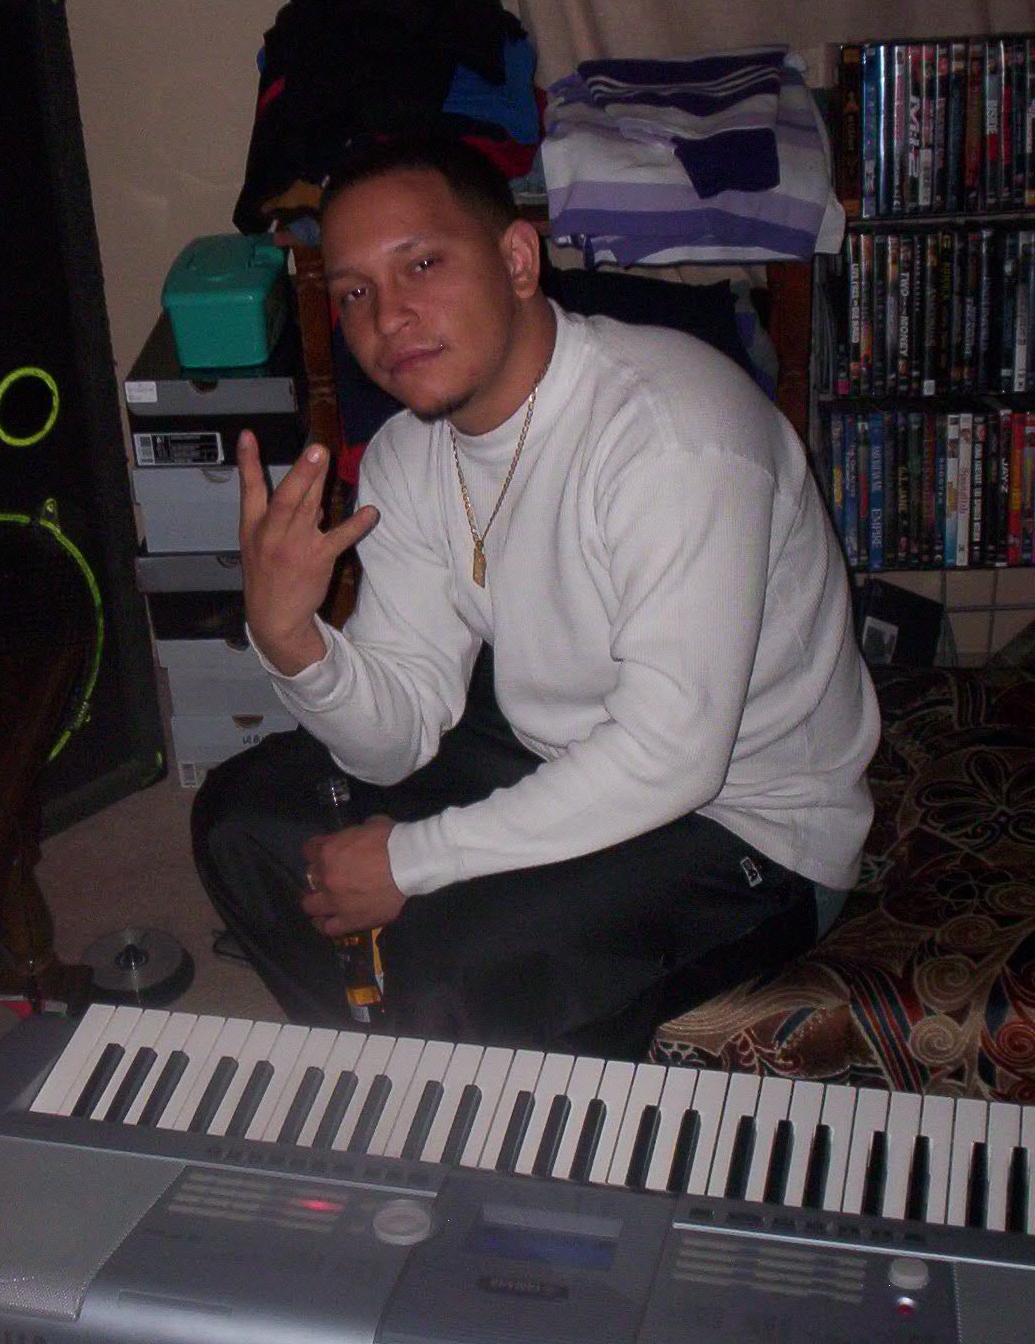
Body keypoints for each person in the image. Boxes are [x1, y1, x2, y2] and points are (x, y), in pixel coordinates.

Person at [192, 131, 879, 1058]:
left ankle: (445, 1076)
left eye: (423, 264)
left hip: (744, 822)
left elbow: (673, 757)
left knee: (461, 971)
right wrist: (291, 640)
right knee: (241, 822)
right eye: (353, 291)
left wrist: (412, 860)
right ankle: (376, 1061)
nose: (388, 316)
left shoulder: (675, 434)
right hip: (547, 742)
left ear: (517, 260)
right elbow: (396, 741)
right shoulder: (407, 453)